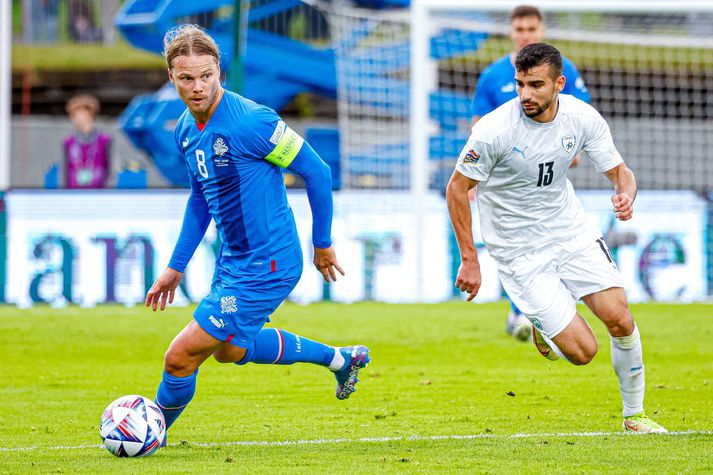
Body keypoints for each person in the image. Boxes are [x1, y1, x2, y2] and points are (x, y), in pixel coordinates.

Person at [145, 25, 370, 438]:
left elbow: (317, 172)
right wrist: (176, 266)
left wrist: (322, 244)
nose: (198, 87)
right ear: (171, 77)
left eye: (206, 75)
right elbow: (200, 198)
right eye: (186, 78)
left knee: (179, 357)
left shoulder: (252, 122)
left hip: (269, 262)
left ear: (220, 72)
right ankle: (341, 359)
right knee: (231, 350)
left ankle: (149, 433)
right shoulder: (183, 130)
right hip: (234, 261)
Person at [446, 43, 667, 433]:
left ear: (559, 84)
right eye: (519, 84)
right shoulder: (495, 129)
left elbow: (621, 172)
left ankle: (634, 416)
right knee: (584, 353)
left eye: (535, 84)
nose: (525, 94)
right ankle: (542, 322)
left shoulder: (582, 118)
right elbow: (456, 188)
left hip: (570, 231)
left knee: (620, 318)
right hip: (519, 250)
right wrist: (470, 258)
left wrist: (625, 194)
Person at [471, 5, 590, 340]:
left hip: (550, 178)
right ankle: (522, 312)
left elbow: (582, 117)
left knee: (553, 243)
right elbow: (478, 129)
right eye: (520, 29)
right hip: (507, 180)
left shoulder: (562, 72)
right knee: (515, 244)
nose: (526, 35)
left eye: (531, 29)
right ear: (512, 32)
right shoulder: (493, 75)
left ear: (541, 31)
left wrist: (575, 150)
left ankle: (538, 312)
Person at [63, 94, 111, 189]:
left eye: (76, 114)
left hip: (99, 193)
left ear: (89, 114)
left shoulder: (104, 140)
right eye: (72, 115)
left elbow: (111, 170)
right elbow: (64, 172)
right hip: (74, 193)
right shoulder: (68, 142)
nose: (73, 119)